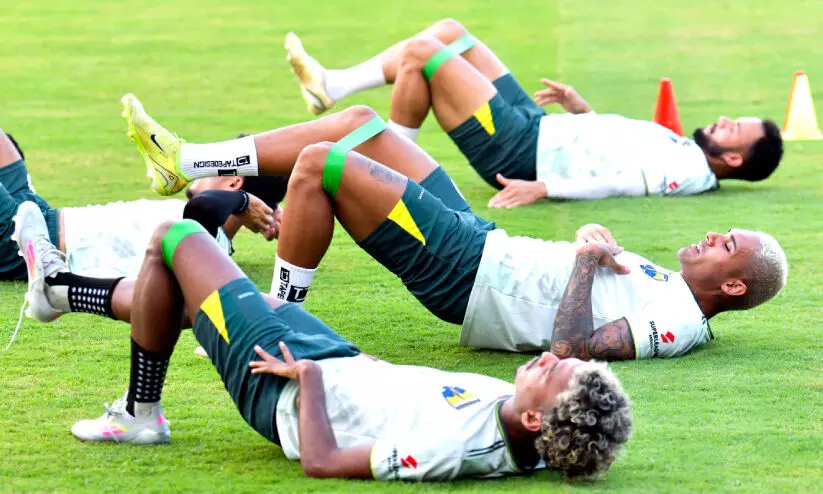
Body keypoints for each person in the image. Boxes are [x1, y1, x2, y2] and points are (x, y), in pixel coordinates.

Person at [115, 97, 788, 362]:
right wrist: (591, 242)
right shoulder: (674, 288)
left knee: (322, 165)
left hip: (470, 275)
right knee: (361, 124)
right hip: (483, 242)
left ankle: (273, 323)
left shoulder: (678, 323)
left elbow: (571, 349)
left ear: (732, 285)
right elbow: (592, 274)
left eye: (726, 245)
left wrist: (587, 259)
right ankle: (187, 162)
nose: (712, 237)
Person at [14, 202, 632, 481]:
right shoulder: (527, 428)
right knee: (183, 296)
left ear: (535, 417)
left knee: (176, 240)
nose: (548, 357)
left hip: (289, 381)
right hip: (333, 358)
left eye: (554, 372)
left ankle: (139, 414)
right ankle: (60, 293)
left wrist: (308, 380)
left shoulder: (453, 449)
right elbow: (561, 438)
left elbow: (323, 462)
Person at [283, 19, 784, 206]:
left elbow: (621, 182)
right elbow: (618, 151)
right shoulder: (689, 152)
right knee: (452, 33)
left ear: (734, 159)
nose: (724, 120)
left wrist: (544, 187)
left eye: (734, 129)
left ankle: (393, 167)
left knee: (423, 55)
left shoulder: (691, 172)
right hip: (541, 126)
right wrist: (583, 110)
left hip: (524, 151)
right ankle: (334, 85)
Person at [0, 128, 286, 281]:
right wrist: (264, 209)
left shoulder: (207, 242)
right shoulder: (210, 237)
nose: (203, 166)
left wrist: (243, 203)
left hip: (26, 245)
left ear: (234, 182)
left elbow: (205, 207)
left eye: (217, 161)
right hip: (40, 216)